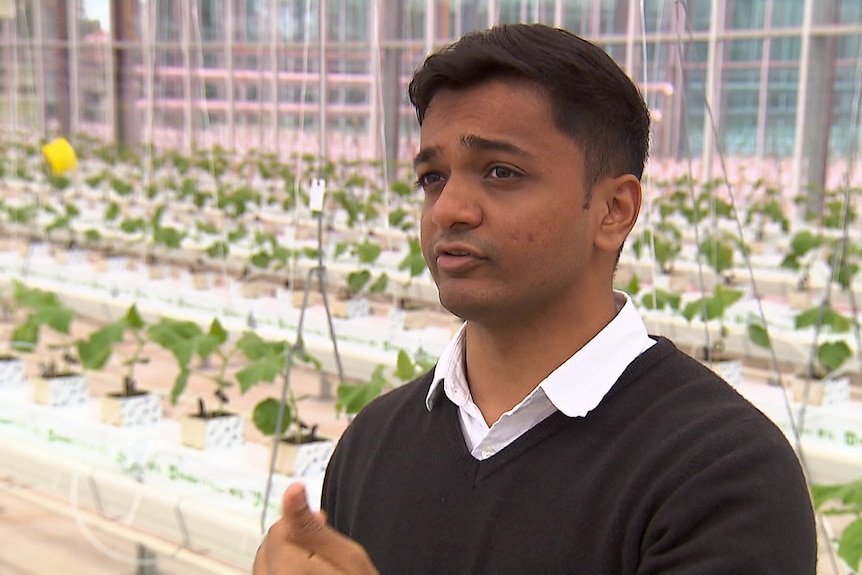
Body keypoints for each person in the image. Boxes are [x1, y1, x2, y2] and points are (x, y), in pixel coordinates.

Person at [254, 23, 816, 574]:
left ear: (614, 210)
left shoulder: (723, 476)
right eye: (433, 177)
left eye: (501, 172)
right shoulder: (374, 444)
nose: (449, 209)